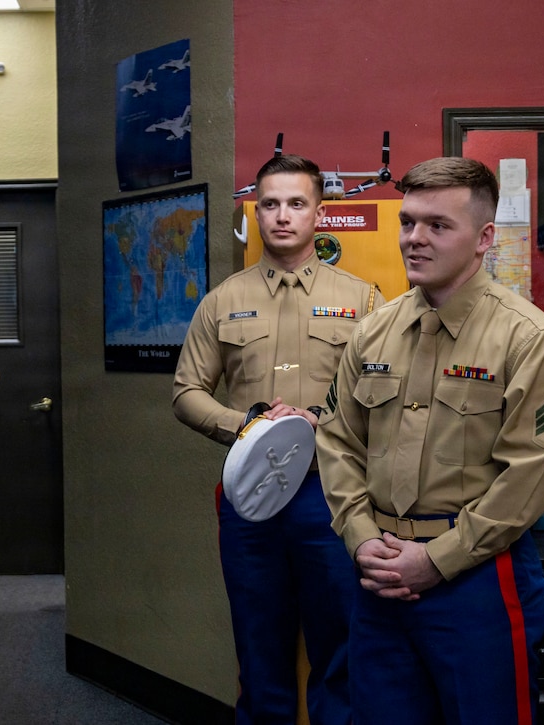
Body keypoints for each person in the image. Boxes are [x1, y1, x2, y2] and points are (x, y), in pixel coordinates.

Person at [316, 156, 544, 724]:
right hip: (380, 575)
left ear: (484, 238)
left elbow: (532, 475)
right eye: (408, 222)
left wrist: (438, 560)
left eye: (438, 225)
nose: (415, 238)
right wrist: (361, 538)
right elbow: (337, 442)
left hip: (478, 579)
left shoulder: (530, 340)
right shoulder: (373, 331)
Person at [173, 154, 382, 724]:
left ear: (320, 213)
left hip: (331, 496)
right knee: (259, 647)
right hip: (251, 497)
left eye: (296, 203)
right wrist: (247, 426)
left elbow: (383, 395)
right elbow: (186, 392)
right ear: (256, 212)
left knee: (341, 647)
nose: (282, 215)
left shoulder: (364, 300)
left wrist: (321, 422)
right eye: (269, 204)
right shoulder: (222, 300)